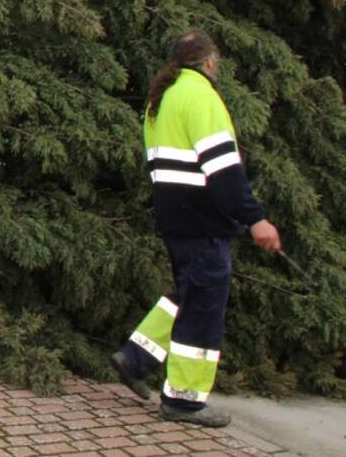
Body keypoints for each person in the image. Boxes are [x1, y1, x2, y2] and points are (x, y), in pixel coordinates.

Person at [111, 30, 281, 428]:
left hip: (174, 216)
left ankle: (136, 357)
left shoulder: (163, 98)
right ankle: (184, 401)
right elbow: (222, 170)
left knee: (190, 292)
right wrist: (255, 218)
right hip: (202, 220)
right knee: (204, 307)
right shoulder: (202, 96)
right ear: (208, 62)